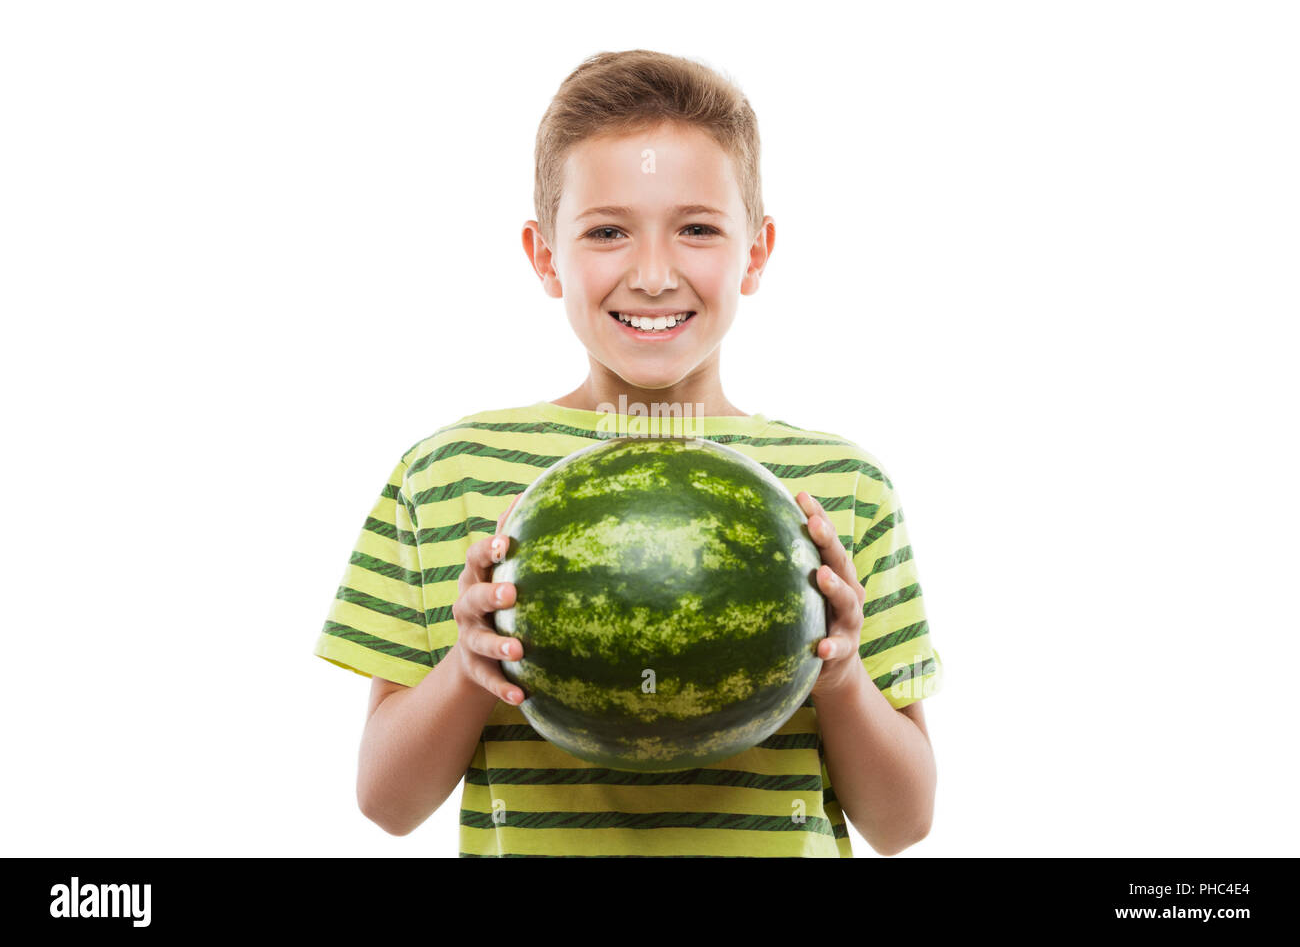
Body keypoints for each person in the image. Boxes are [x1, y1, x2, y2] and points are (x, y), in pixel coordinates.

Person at [314, 49, 942, 857]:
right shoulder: (450, 474)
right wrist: (467, 673)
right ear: (546, 256)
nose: (652, 275)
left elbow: (905, 822)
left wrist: (842, 676)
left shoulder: (843, 489)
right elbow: (387, 802)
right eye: (608, 231)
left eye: (697, 230)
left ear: (756, 251)